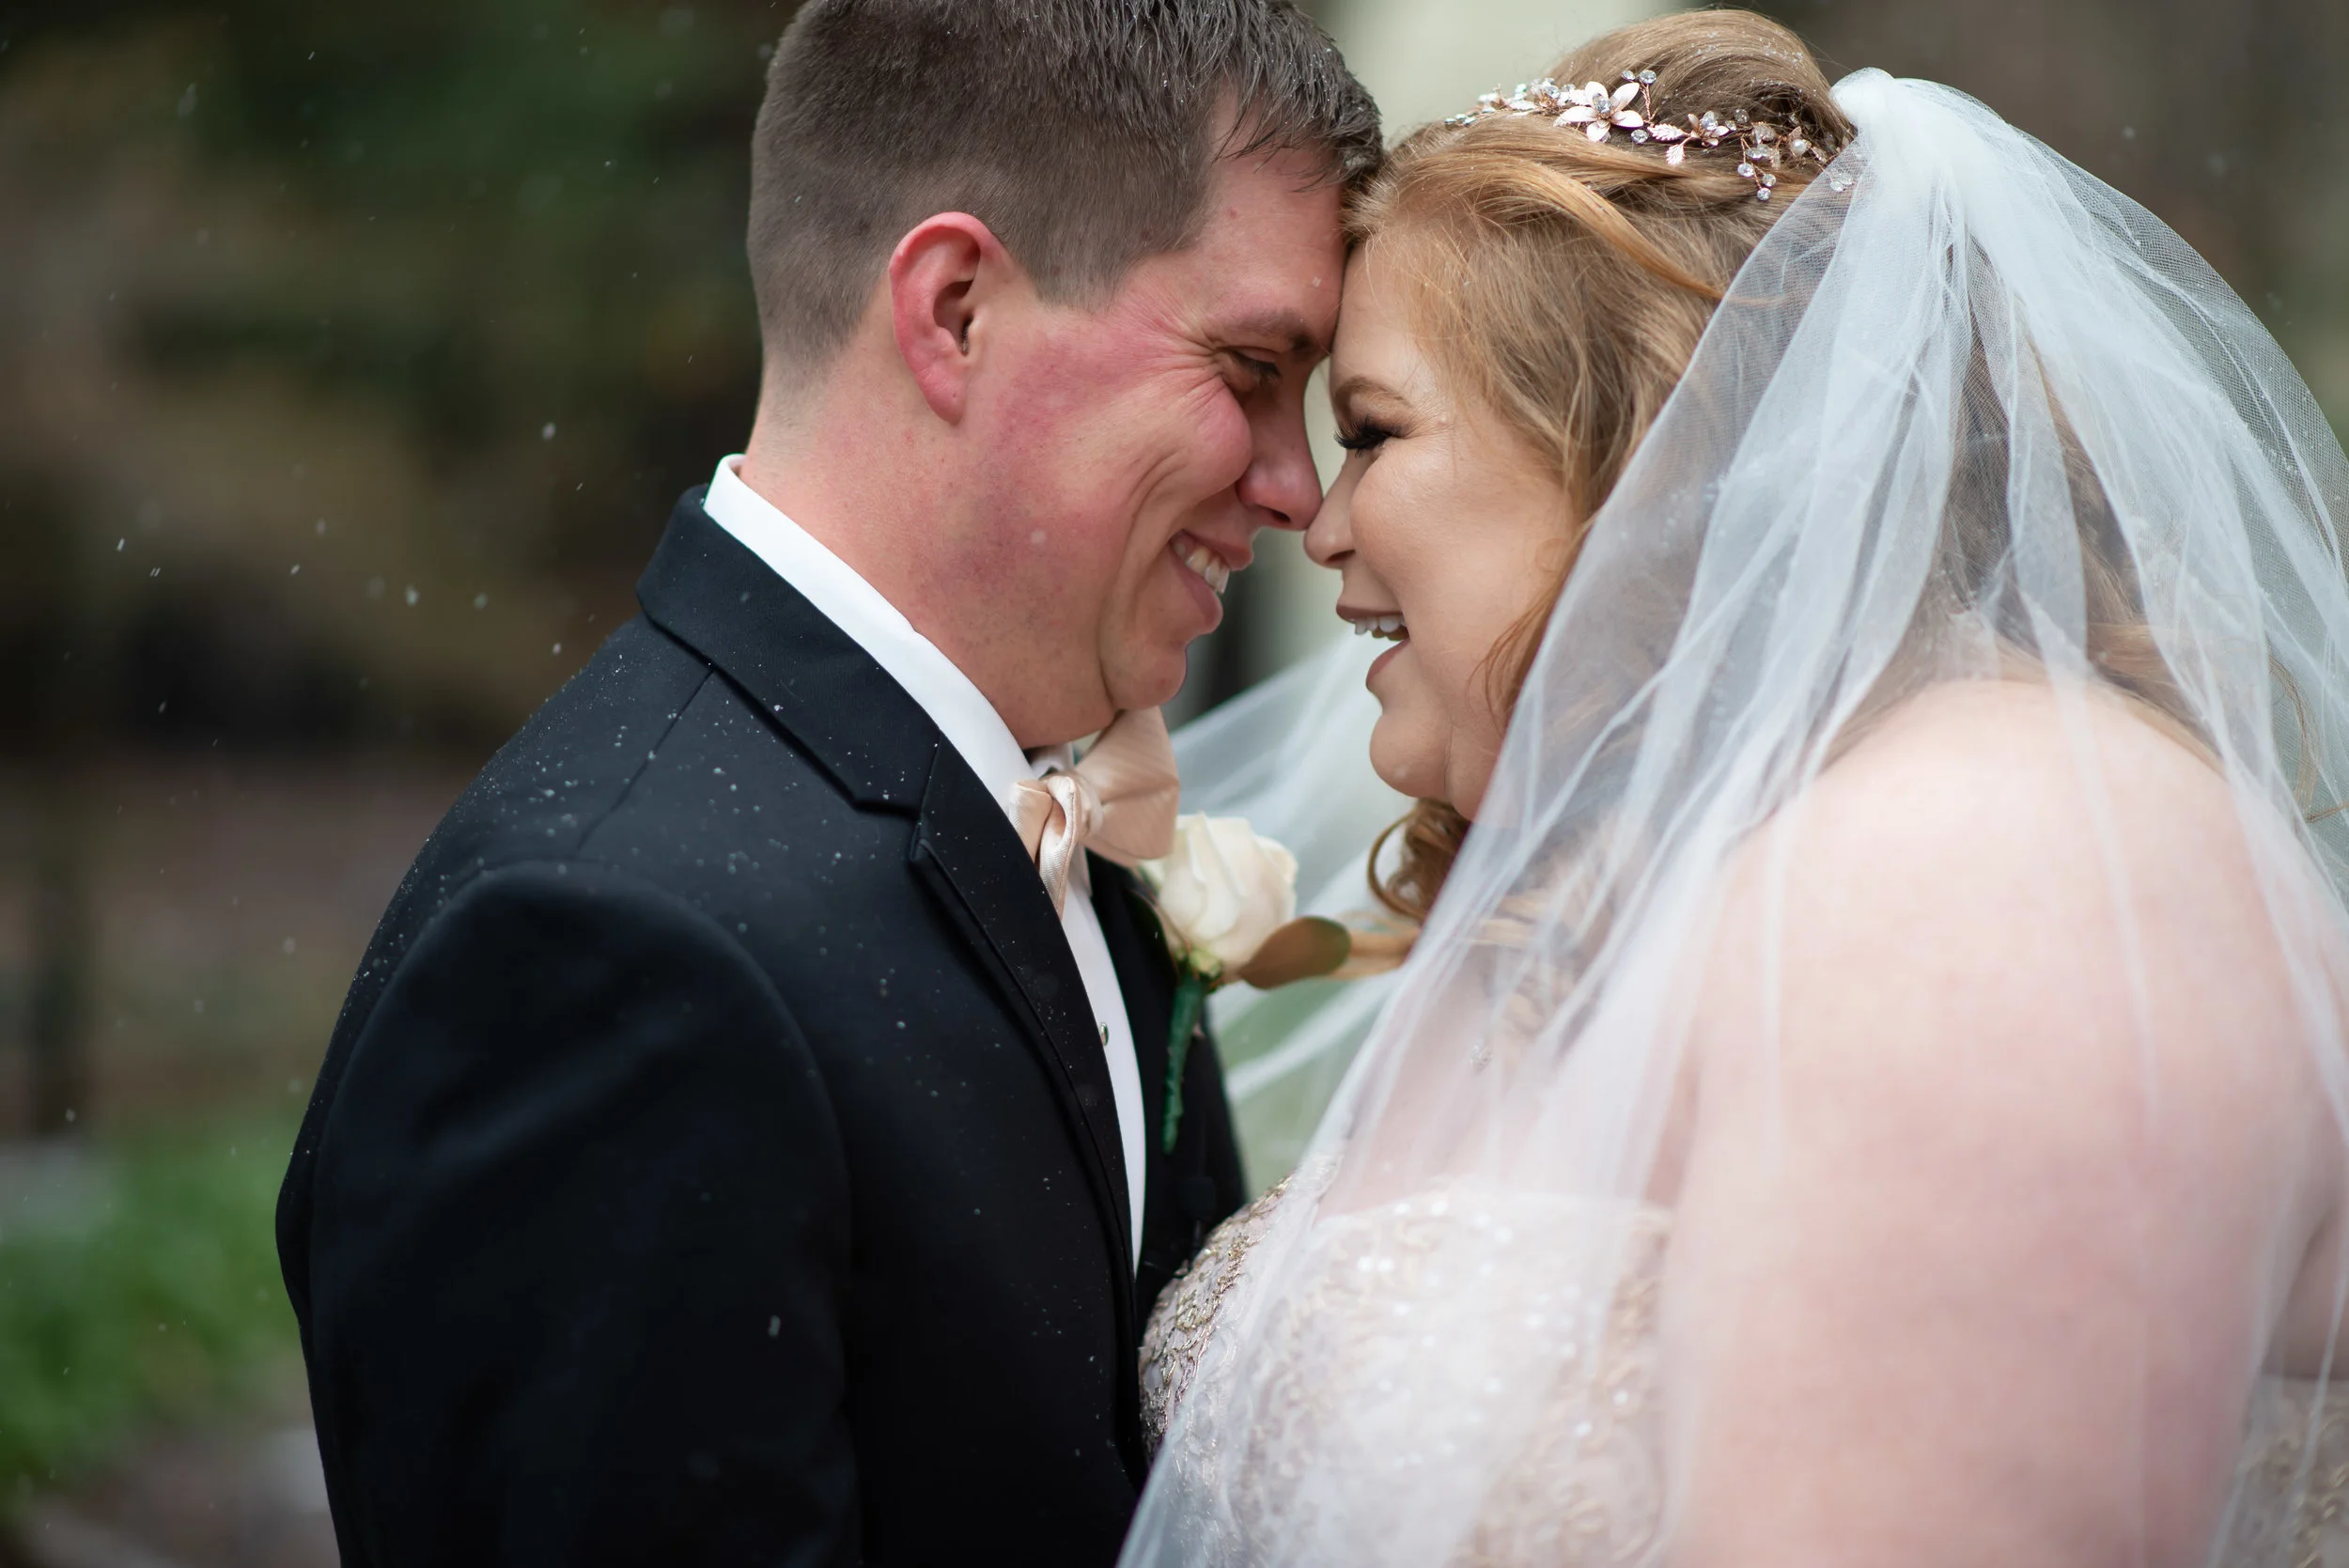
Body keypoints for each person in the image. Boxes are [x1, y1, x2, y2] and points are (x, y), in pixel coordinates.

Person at [1128, 11, 2349, 1566]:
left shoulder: (2002, 876)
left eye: (1373, 433)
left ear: (1650, 450)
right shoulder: (1637, 885)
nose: (1324, 521)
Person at [273, 3, 1377, 1563]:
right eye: (1253, 368)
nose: (1297, 484)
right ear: (955, 309)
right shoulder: (599, 959)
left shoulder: (1066, 812)